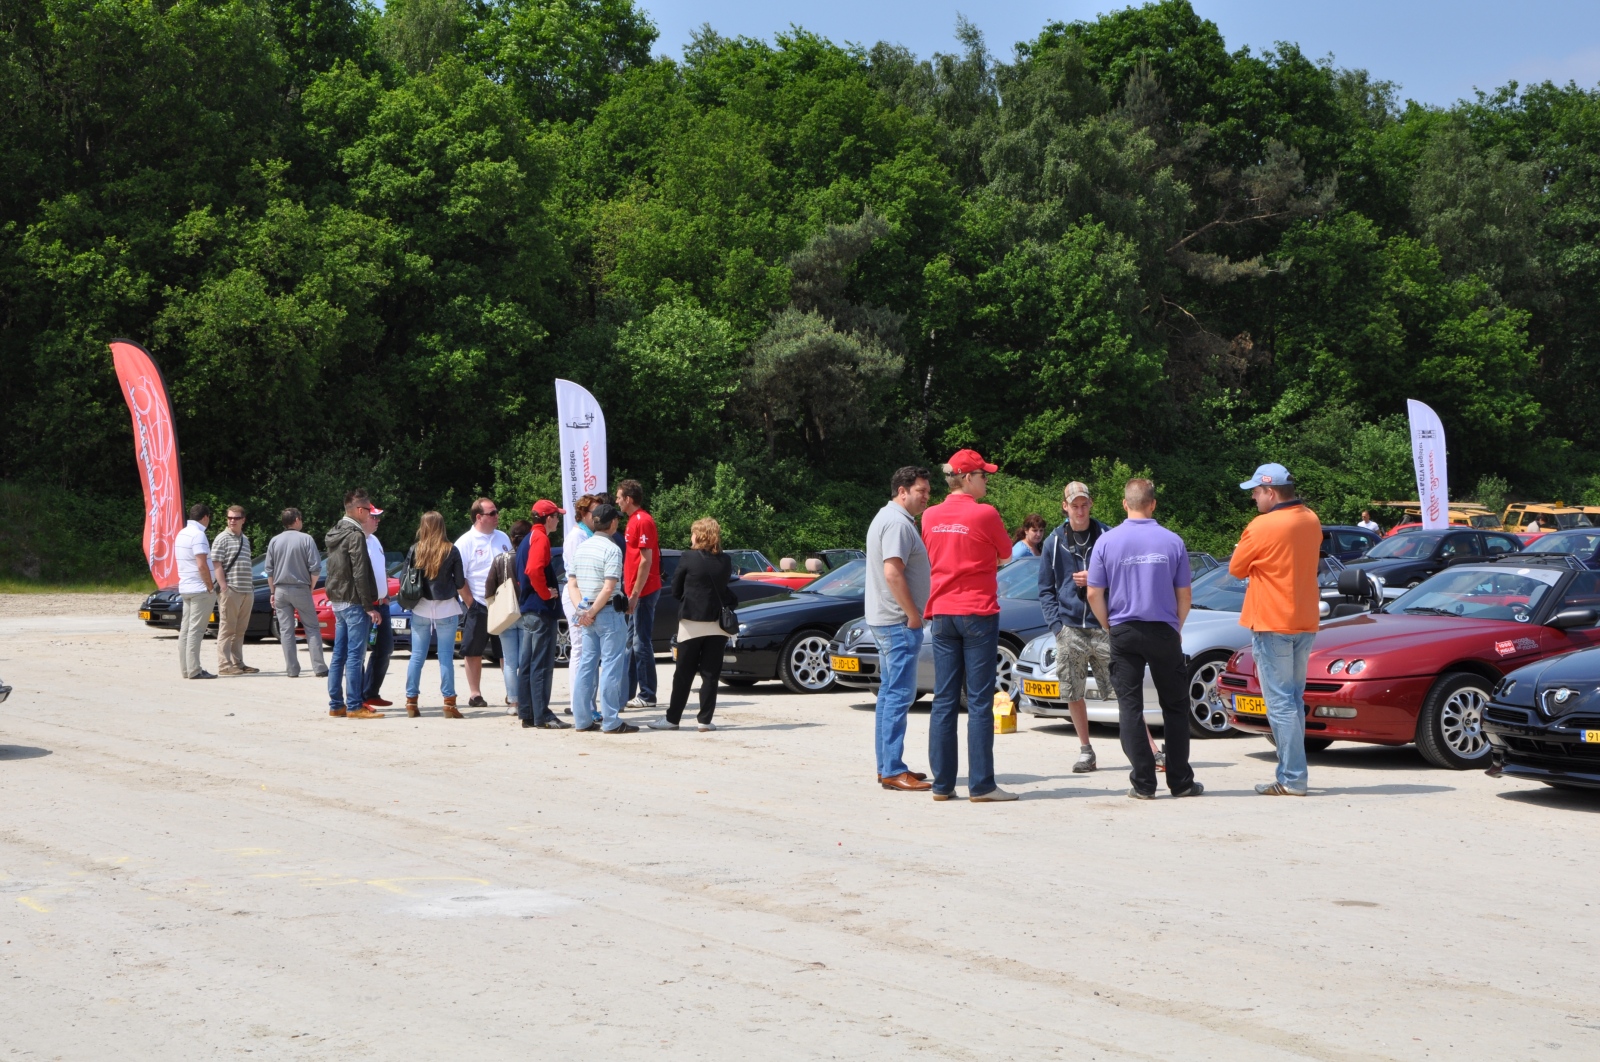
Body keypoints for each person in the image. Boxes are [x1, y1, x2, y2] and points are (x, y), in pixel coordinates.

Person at [1086, 479, 1201, 800]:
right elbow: (1185, 594)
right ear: (1153, 504)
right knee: (1175, 707)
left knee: (1130, 707)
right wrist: (1176, 627)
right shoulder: (1173, 541)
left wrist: (1108, 625)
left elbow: (1094, 592)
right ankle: (1180, 782)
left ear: (1125, 504)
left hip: (1123, 629)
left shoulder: (1107, 541)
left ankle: (1143, 784)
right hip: (1163, 629)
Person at [922, 449, 1017, 802]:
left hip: (942, 612)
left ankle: (942, 785)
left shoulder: (929, 515)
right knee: (978, 701)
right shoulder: (985, 513)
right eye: (982, 475)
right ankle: (981, 785)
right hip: (977, 611)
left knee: (944, 699)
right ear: (966, 478)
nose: (986, 480)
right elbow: (1007, 555)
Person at [1231, 463, 1322, 796]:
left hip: (1272, 620)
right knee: (1294, 699)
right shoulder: (1310, 519)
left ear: (1271, 492)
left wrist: (1257, 563)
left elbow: (1236, 567)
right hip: (1304, 619)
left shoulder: (1261, 525)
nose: (1253, 497)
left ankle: (1292, 778)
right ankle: (1293, 774)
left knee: (1280, 702)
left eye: (1256, 491)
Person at [863, 466, 934, 791]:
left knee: (889, 694)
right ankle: (892, 769)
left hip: (888, 620)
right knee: (899, 695)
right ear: (902, 491)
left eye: (928, 491)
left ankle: (888, 766)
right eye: (921, 491)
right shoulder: (897, 523)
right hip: (897, 622)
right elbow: (893, 573)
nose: (926, 497)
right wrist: (913, 615)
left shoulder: (889, 518)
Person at [1038, 481, 1112, 773]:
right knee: (1072, 691)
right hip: (1070, 628)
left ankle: (1147, 749)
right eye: (1074, 506)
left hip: (1104, 626)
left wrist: (1097, 579)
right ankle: (1086, 751)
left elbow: (1123, 578)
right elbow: (1045, 588)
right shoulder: (1054, 542)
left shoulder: (1108, 536)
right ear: (1065, 507)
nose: (1080, 511)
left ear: (1090, 504)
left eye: (1084, 505)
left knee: (1124, 689)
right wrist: (1057, 627)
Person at [650, 517, 740, 732]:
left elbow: (676, 589)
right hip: (718, 623)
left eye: (693, 533)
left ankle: (673, 719)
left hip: (691, 621)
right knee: (710, 674)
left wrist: (689, 599)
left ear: (699, 535)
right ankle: (705, 721)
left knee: (683, 673)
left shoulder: (688, 557)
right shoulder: (725, 560)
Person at [569, 503, 636, 733]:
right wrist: (591, 612)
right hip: (607, 612)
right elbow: (608, 587)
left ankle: (582, 719)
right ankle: (611, 720)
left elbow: (572, 583)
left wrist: (583, 611)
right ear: (613, 523)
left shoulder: (582, 548)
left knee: (586, 666)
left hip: (587, 612)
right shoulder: (612, 549)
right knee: (611, 667)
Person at [404, 511, 471, 718]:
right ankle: (449, 702)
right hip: (446, 607)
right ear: (442, 526)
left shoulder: (415, 549)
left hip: (421, 606)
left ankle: (411, 701)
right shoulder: (451, 550)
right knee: (445, 657)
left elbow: (405, 577)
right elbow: (459, 582)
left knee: (417, 656)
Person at [325, 490, 383, 719]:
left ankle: (336, 704)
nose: (370, 514)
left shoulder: (335, 531)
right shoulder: (355, 535)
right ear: (360, 510)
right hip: (353, 602)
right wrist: (369, 606)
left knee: (339, 655)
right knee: (355, 656)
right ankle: (354, 706)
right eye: (368, 510)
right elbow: (359, 573)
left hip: (338, 601)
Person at [514, 500, 569, 729]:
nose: (558, 520)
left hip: (530, 609)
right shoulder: (540, 538)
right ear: (548, 518)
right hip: (540, 610)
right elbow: (534, 570)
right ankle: (542, 715)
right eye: (556, 516)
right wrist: (546, 593)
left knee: (527, 663)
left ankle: (528, 713)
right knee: (542, 664)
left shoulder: (528, 538)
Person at [454, 498, 512, 708]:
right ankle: (475, 694)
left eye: (497, 512)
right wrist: (471, 603)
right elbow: (459, 577)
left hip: (503, 604)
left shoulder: (502, 537)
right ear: (479, 517)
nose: (497, 516)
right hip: (478, 602)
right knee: (473, 650)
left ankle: (512, 692)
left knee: (506, 650)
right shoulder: (465, 542)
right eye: (492, 513)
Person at [265, 508, 327, 679]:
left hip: (280, 589)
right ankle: (319, 668)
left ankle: (292, 670)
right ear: (297, 519)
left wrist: (272, 592)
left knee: (286, 630)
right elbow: (315, 568)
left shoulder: (274, 540)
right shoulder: (306, 539)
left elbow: (269, 570)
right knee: (311, 628)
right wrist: (310, 588)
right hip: (301, 588)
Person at [617, 479, 661, 709]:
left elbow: (646, 560)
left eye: (619, 497)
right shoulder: (634, 520)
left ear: (628, 499)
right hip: (635, 590)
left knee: (640, 642)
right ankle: (628, 692)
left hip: (643, 591)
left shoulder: (643, 521)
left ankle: (647, 694)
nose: (617, 501)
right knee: (632, 643)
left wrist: (635, 593)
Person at [560, 495, 604, 714]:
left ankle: (586, 702)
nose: (597, 517)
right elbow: (575, 574)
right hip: (576, 596)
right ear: (584, 514)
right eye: (594, 512)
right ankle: (578, 703)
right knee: (580, 649)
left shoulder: (589, 534)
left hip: (586, 595)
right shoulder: (577, 536)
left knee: (589, 651)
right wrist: (583, 607)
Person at [488, 519, 533, 714]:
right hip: (526, 611)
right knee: (525, 660)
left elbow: (488, 589)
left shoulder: (500, 559)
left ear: (512, 537)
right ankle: (525, 701)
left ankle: (513, 702)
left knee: (509, 661)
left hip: (506, 613)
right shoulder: (530, 557)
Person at [210, 505, 258, 676]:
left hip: (246, 589)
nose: (232, 520)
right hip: (231, 589)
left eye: (236, 518)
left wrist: (250, 587)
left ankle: (238, 662)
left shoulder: (245, 539)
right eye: (230, 517)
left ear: (243, 520)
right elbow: (216, 564)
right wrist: (223, 586)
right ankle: (224, 665)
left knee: (240, 629)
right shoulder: (222, 538)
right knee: (227, 628)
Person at [174, 503, 217, 680]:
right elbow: (201, 564)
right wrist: (210, 585)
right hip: (199, 588)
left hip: (186, 586)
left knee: (185, 630)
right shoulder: (199, 535)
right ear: (205, 517)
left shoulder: (182, 533)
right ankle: (194, 669)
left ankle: (186, 669)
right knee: (196, 630)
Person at [361, 505, 393, 708]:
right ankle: (359, 698)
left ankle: (371, 692)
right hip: (366, 607)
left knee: (385, 649)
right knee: (358, 653)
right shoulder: (358, 542)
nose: (377, 520)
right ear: (363, 517)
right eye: (374, 517)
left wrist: (386, 595)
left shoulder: (374, 540)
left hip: (381, 604)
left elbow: (381, 571)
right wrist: (367, 605)